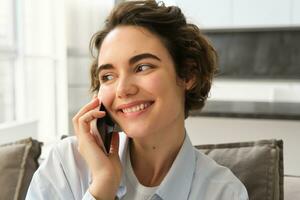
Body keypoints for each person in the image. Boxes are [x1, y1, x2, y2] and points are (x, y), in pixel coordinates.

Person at [26, 1, 248, 199]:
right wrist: (102, 186)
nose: (123, 89)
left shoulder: (224, 192)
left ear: (188, 74)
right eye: (108, 76)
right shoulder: (66, 166)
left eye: (142, 67)